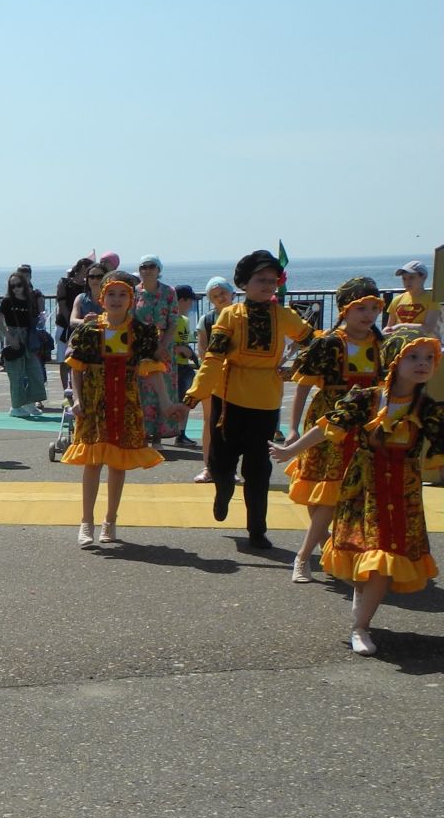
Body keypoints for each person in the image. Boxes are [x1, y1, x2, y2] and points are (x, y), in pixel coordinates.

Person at [268, 326, 441, 654]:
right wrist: (291, 450)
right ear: (393, 361)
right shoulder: (367, 398)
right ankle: (361, 615)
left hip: (403, 494)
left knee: (385, 561)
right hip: (364, 488)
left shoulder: (428, 408)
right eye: (413, 357)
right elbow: (327, 426)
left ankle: (361, 625)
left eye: (429, 358)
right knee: (364, 559)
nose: (423, 363)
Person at [189, 250, 317, 549]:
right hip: (228, 399)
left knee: (258, 469)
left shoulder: (283, 315)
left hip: (265, 402)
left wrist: (300, 367)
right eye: (261, 280)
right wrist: (197, 392)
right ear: (244, 283)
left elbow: (313, 342)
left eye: (273, 281)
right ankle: (222, 492)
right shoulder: (230, 315)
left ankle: (257, 529)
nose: (268, 286)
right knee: (221, 463)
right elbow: (214, 356)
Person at [281, 279, 385, 583]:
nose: (368, 315)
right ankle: (315, 549)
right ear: (345, 310)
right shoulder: (328, 343)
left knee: (336, 495)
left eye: (374, 308)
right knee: (320, 494)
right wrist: (291, 428)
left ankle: (304, 556)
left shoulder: (379, 344)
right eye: (360, 308)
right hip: (328, 422)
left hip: (364, 424)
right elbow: (302, 385)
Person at [62, 273, 165, 548]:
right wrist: (77, 399)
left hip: (126, 400)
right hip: (95, 401)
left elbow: (151, 369)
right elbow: (77, 367)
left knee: (118, 464)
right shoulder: (88, 329)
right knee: (92, 462)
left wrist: (167, 403)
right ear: (101, 298)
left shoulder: (141, 331)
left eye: (122, 294)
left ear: (131, 299)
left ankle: (110, 521)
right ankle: (86, 523)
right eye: (111, 294)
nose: (116, 299)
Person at [189, 277, 236, 481]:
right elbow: (201, 348)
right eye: (215, 296)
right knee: (210, 421)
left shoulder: (242, 316)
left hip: (237, 376)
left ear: (231, 293)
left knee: (233, 423)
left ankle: (229, 469)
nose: (220, 298)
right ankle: (208, 467)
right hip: (212, 374)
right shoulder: (207, 320)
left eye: (223, 293)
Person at [132, 256, 179, 446]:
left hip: (163, 345)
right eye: (144, 266)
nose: (148, 270)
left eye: (152, 266)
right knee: (141, 391)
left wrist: (162, 347)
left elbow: (173, 322)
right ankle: (142, 434)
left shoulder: (169, 292)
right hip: (140, 346)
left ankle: (159, 436)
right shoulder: (134, 293)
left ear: (159, 269)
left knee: (164, 389)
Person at [0, 271, 48, 417]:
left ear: (24, 285)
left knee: (35, 372)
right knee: (16, 374)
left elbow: (36, 319)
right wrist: (9, 337)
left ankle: (30, 404)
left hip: (29, 337)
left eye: (18, 285)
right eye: (12, 286)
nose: (16, 289)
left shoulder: (30, 300)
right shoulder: (6, 301)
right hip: (14, 336)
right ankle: (16, 406)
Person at [54, 257, 96, 394]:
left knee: (76, 358)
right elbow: (62, 304)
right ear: (83, 267)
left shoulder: (86, 286)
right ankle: (66, 390)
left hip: (81, 327)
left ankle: (76, 389)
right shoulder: (65, 283)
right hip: (64, 325)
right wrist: (70, 325)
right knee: (63, 360)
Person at [170, 285, 200, 446]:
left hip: (182, 365)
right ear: (182, 300)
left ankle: (180, 433)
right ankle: (179, 434)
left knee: (184, 400)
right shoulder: (172, 319)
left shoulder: (185, 320)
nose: (191, 305)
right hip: (173, 366)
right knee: (182, 401)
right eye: (190, 301)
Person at [386, 258, 439, 335]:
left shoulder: (432, 299)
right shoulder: (397, 300)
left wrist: (400, 326)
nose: (407, 282)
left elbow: (428, 328)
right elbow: (389, 327)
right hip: (400, 342)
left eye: (411, 277)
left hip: (423, 343)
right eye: (404, 279)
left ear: (423, 277)